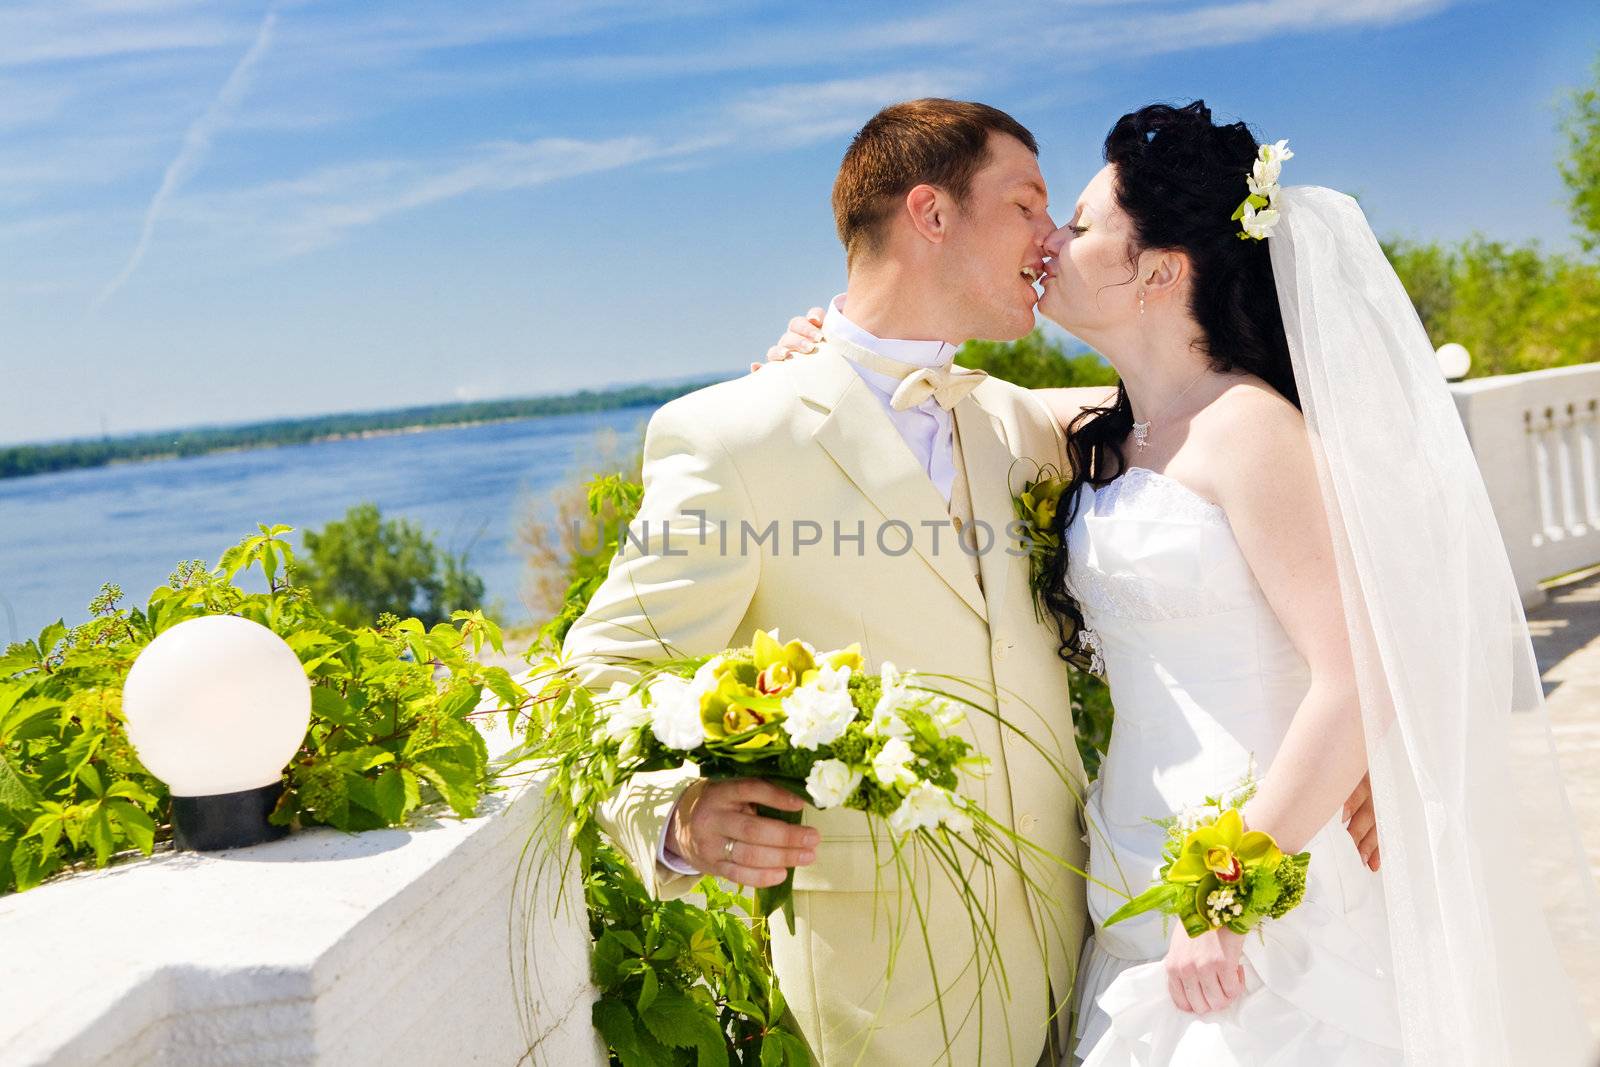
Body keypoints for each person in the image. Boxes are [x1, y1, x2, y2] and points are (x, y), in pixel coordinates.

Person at [765, 100, 1595, 1064]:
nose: (1048, 243)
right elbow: (930, 412)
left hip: (1257, 874)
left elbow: (1354, 675)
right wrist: (830, 363)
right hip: (1129, 862)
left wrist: (1226, 889)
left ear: (1160, 269)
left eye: (1076, 226)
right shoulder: (1106, 435)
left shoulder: (1252, 433)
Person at [561, 98, 1090, 1065]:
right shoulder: (733, 437)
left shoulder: (1020, 426)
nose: (1053, 238)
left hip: (1080, 958)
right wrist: (677, 814)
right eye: (1027, 205)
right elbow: (602, 670)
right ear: (930, 214)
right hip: (883, 978)